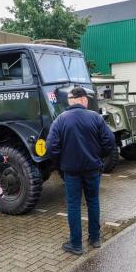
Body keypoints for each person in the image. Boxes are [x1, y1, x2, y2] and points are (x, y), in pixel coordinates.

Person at [46, 87, 115, 255]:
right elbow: (110, 141)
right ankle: (95, 238)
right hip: (92, 169)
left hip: (71, 171)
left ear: (71, 100)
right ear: (84, 100)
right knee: (93, 202)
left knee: (74, 205)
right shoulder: (95, 117)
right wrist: (98, 156)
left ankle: (76, 244)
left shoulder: (60, 119)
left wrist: (60, 164)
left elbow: (51, 147)